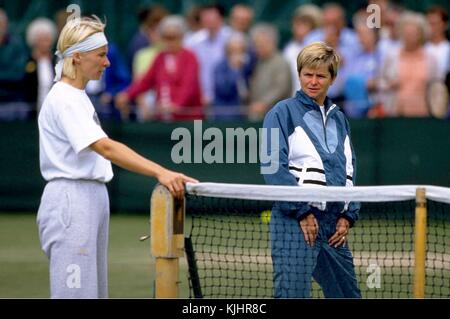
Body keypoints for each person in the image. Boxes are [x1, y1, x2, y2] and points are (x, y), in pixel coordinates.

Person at [36, 16, 197, 299]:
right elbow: (106, 147)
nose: (107, 63)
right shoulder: (63, 98)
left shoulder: (76, 96)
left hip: (88, 198)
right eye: (101, 55)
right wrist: (161, 172)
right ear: (76, 58)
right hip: (71, 202)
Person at [261, 42, 361, 298]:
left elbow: (348, 167)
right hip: (295, 222)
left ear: (332, 79)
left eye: (321, 75)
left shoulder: (340, 118)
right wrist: (302, 211)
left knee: (348, 295)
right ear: (300, 74)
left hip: (334, 227)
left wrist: (347, 215)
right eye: (308, 74)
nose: (313, 81)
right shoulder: (281, 112)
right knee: (292, 295)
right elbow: (273, 166)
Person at [116, 15, 203, 122]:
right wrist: (127, 94)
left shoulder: (190, 57)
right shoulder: (160, 58)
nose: (169, 42)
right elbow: (145, 81)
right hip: (163, 119)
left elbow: (189, 86)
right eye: (166, 37)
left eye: (173, 37)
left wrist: (176, 105)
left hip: (187, 120)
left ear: (182, 37)